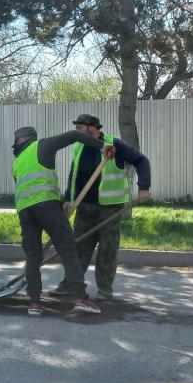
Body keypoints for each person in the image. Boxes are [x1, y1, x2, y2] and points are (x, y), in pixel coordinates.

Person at [11, 126, 116, 316]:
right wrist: (102, 146)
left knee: (33, 256)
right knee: (67, 248)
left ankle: (34, 303)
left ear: (19, 142)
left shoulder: (17, 162)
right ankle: (81, 298)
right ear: (32, 138)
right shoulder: (41, 146)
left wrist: (62, 202)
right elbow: (74, 135)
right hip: (47, 207)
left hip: (25, 212)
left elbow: (28, 188)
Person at [49, 114, 151, 300]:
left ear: (92, 128)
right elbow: (74, 175)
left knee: (107, 250)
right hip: (84, 206)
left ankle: (105, 290)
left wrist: (143, 187)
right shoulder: (80, 146)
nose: (77, 132)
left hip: (110, 209)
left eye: (80, 128)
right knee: (78, 247)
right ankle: (70, 285)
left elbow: (141, 161)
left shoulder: (114, 145)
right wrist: (68, 199)